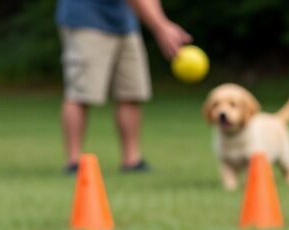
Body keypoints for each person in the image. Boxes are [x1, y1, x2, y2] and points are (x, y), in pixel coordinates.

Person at [56, 0, 192, 173]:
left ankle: (132, 160)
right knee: (81, 93)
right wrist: (161, 27)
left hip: (125, 24)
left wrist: (162, 23)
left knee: (131, 93)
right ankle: (74, 162)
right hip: (86, 20)